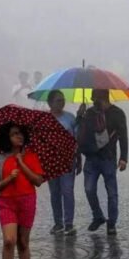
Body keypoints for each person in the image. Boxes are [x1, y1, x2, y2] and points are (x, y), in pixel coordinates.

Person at [0, 122, 45, 259]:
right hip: (7, 203)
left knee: (22, 242)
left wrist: (21, 163)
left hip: (27, 201)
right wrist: (8, 179)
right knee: (9, 240)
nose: (19, 136)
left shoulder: (31, 157)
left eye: (21, 133)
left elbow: (38, 181)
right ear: (7, 138)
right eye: (14, 134)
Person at [76, 89, 128, 235]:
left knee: (112, 193)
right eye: (92, 99)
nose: (93, 102)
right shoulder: (89, 113)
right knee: (89, 189)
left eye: (96, 99)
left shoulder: (117, 113)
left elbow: (123, 135)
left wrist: (123, 158)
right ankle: (98, 216)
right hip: (91, 158)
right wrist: (79, 117)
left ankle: (112, 223)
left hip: (108, 158)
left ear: (104, 98)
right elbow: (80, 133)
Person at [46, 90, 81, 236]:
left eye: (63, 100)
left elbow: (77, 139)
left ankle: (69, 223)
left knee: (67, 191)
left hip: (68, 161)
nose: (62, 103)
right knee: (55, 193)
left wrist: (78, 158)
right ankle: (58, 223)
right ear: (50, 103)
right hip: (50, 162)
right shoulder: (44, 119)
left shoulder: (70, 118)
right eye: (58, 100)